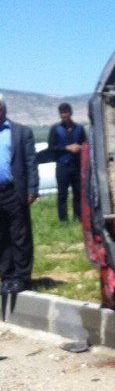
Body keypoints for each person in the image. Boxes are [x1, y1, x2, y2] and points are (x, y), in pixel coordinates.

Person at [0, 92, 39, 293]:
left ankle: (22, 277)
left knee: (19, 235)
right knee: (2, 236)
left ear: (3, 109)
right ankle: (7, 276)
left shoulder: (21, 133)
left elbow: (31, 162)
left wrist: (32, 188)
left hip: (15, 191)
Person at [47, 102, 87, 221]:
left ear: (71, 113)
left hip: (77, 165)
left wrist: (80, 147)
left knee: (78, 193)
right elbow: (51, 148)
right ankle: (63, 220)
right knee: (62, 194)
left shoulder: (79, 128)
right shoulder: (55, 129)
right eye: (62, 113)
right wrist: (66, 148)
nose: (64, 115)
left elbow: (85, 144)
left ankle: (78, 217)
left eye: (66, 112)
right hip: (62, 166)